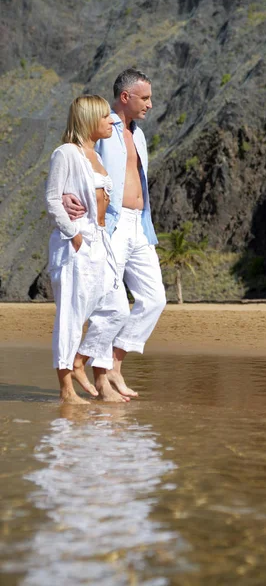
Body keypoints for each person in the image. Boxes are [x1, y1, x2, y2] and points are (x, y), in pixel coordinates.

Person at [62, 69, 166, 398]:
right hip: (114, 225)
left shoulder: (139, 135)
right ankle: (102, 376)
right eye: (145, 98)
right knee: (112, 301)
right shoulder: (105, 124)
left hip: (141, 224)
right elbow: (77, 149)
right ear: (126, 97)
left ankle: (114, 367)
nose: (150, 104)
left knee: (154, 299)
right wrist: (65, 191)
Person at [45, 95, 131, 404]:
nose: (112, 121)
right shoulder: (66, 153)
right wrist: (74, 235)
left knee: (118, 309)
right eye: (106, 116)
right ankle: (67, 390)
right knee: (71, 316)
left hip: (101, 241)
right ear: (89, 120)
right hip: (75, 244)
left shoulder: (97, 156)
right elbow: (53, 199)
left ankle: (81, 360)